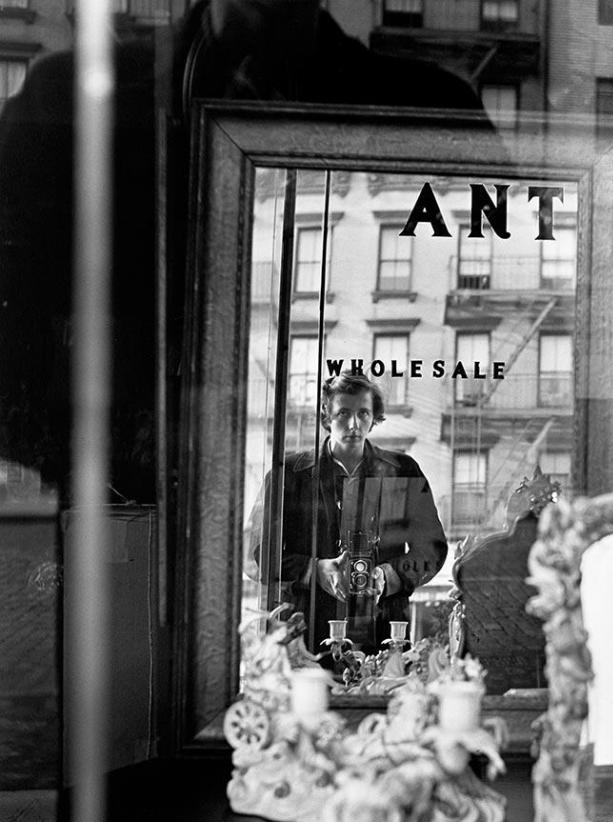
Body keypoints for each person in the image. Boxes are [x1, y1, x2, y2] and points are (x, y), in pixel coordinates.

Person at [0, 0, 486, 504]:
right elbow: (14, 376)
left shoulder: (433, 108)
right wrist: (151, 446)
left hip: (329, 531)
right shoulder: (64, 101)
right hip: (131, 529)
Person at [251, 373, 447, 655]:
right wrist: (315, 570)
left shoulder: (403, 469)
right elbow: (260, 552)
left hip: (383, 631)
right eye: (343, 413)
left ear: (374, 417)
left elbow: (432, 549)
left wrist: (387, 576)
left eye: (363, 413)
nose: (354, 424)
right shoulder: (288, 475)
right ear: (326, 416)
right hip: (305, 631)